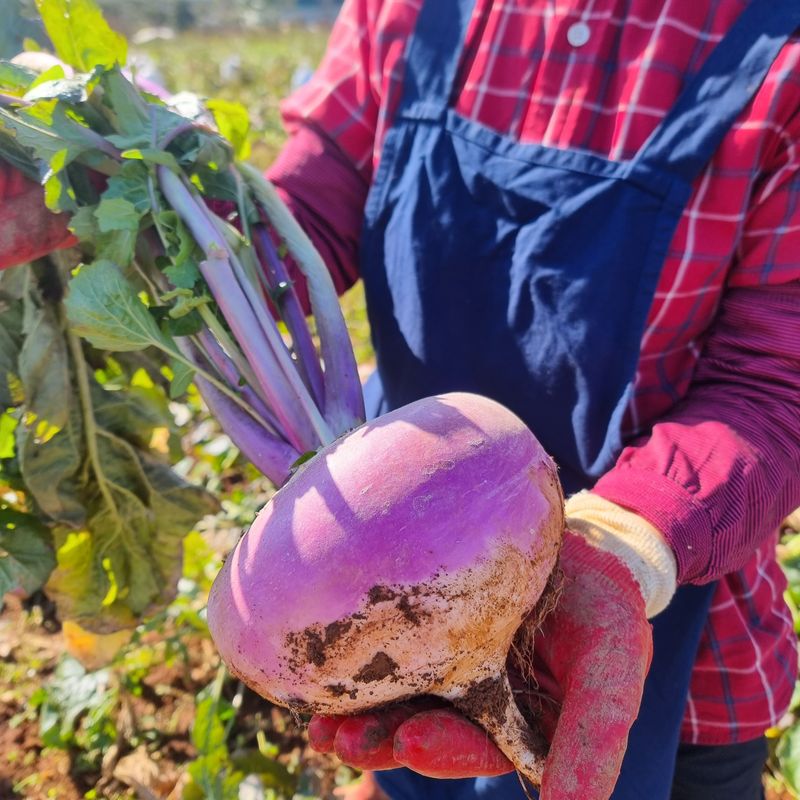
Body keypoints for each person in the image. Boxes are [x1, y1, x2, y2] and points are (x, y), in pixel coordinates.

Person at [1, 2, 800, 799]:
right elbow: (314, 203)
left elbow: (777, 380)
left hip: (669, 610)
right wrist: (144, 214)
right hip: (387, 638)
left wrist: (621, 539)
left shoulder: (780, 48)